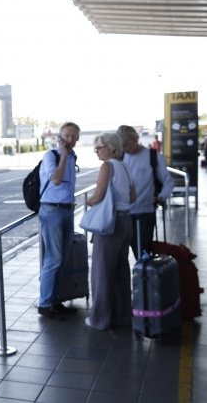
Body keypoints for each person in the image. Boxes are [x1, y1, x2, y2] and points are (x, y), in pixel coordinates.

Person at [85, 133, 135, 330]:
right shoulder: (125, 166)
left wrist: (88, 201)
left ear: (112, 149)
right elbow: (133, 196)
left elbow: (98, 196)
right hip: (126, 221)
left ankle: (99, 319)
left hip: (110, 224)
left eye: (99, 147)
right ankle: (122, 316)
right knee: (121, 272)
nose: (96, 151)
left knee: (102, 273)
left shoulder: (107, 166)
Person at [38, 122, 81, 318]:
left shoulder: (72, 157)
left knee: (63, 259)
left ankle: (56, 300)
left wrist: (67, 156)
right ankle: (45, 303)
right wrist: (63, 155)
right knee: (53, 259)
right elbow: (55, 179)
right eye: (67, 135)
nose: (70, 139)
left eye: (73, 136)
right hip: (51, 211)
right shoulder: (51, 156)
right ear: (60, 136)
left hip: (67, 210)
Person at [118, 125, 174, 259]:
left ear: (135, 139)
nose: (124, 149)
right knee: (120, 256)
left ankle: (144, 277)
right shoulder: (120, 158)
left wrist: (161, 197)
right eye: (121, 146)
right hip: (123, 214)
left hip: (145, 213)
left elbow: (168, 182)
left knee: (142, 252)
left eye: (125, 145)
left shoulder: (153, 157)